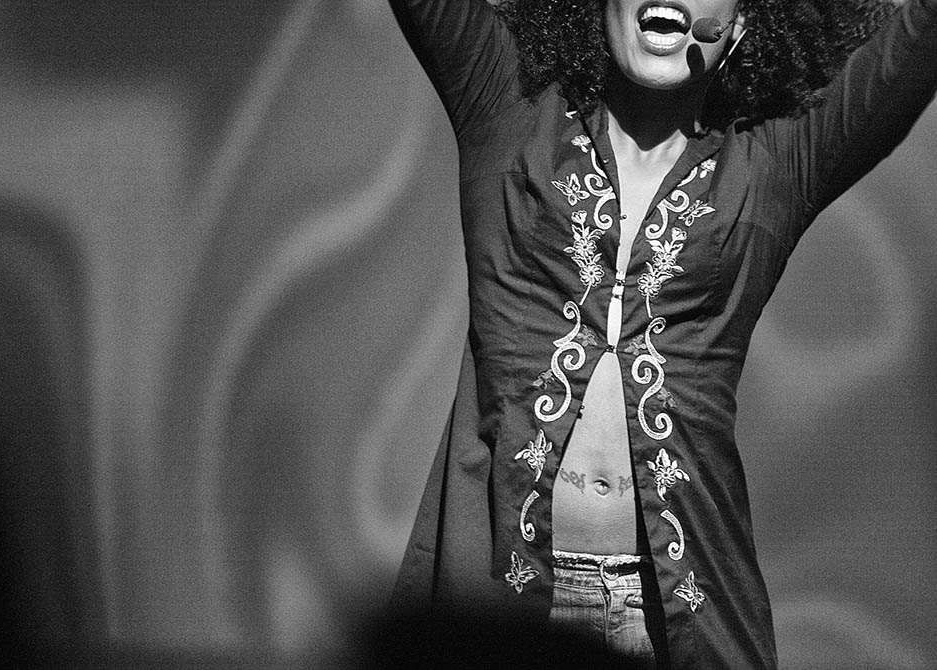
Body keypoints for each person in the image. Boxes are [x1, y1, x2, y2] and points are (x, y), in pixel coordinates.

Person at [386, 0, 937, 667]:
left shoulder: (778, 158)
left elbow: (916, 40)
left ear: (739, 24)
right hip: (504, 613)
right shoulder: (506, 103)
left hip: (675, 620)